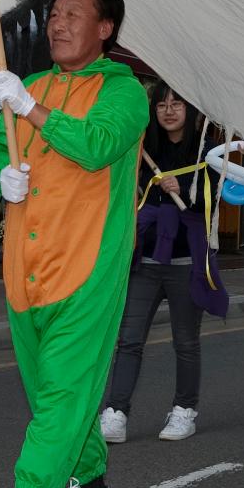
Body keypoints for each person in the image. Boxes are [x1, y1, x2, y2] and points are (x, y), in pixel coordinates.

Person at [0, 0, 148, 488]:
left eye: (74, 14)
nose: (57, 22)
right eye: (54, 12)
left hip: (88, 266)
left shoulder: (126, 93)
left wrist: (33, 109)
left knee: (63, 392)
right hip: (25, 267)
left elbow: (98, 144)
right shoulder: (29, 87)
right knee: (55, 391)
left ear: (105, 29)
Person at [99, 81, 227, 445]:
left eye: (176, 103)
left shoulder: (208, 153)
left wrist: (183, 190)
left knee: (185, 342)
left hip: (187, 260)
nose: (168, 110)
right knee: (129, 339)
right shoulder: (143, 149)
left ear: (190, 109)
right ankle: (116, 412)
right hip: (147, 259)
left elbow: (211, 202)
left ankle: (185, 410)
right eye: (161, 104)